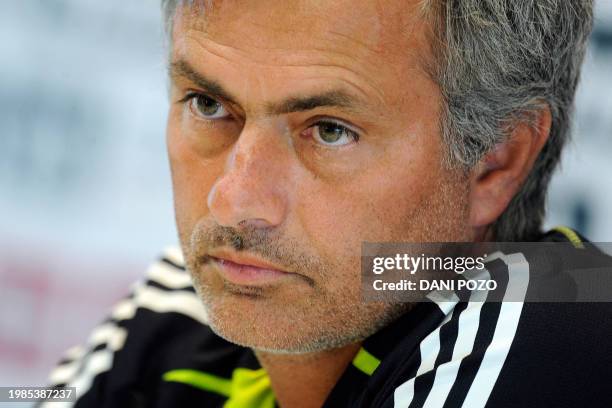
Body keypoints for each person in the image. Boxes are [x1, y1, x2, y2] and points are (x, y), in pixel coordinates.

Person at [38, 0, 612, 407]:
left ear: (495, 162)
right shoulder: (176, 314)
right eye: (209, 104)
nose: (235, 201)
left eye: (331, 129)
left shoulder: (558, 323)